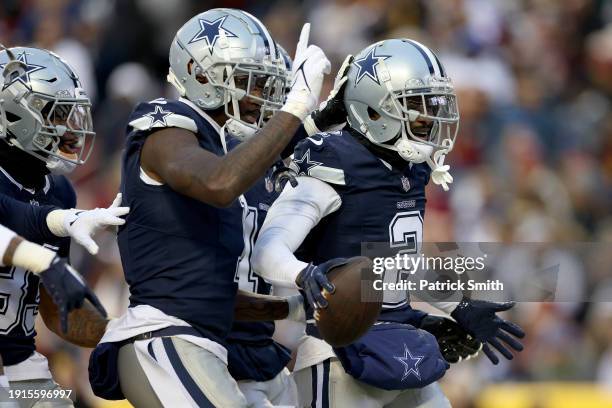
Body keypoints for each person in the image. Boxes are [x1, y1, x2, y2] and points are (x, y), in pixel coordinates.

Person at [253, 39, 525, 407]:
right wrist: (303, 275)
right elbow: (268, 248)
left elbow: (395, 261)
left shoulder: (409, 168)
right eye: (415, 104)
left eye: (434, 104)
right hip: (337, 353)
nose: (429, 117)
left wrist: (456, 306)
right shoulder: (333, 160)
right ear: (374, 108)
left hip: (396, 342)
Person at [90, 8, 331, 408]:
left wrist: (294, 307)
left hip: (210, 343)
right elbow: (218, 182)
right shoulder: (167, 125)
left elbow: (210, 293)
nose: (258, 95)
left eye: (265, 83)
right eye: (246, 81)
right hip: (165, 336)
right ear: (200, 75)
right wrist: (297, 105)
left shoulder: (224, 147)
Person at [0, 46, 111, 408]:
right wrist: (62, 226)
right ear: (13, 113)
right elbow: (16, 216)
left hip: (22, 364)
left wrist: (117, 335)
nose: (70, 126)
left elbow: (53, 310)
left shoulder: (59, 190)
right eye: (56, 112)